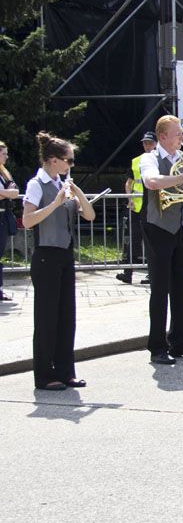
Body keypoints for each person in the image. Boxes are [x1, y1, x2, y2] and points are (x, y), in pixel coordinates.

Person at [22, 132, 96, 389]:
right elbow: (27, 220)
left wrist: (78, 193)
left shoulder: (60, 184)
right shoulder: (36, 184)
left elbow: (90, 215)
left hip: (65, 253)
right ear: (53, 160)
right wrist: (55, 203)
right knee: (47, 317)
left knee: (66, 315)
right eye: (69, 161)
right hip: (45, 254)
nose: (70, 165)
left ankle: (66, 371)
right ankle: (44, 374)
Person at [139, 115, 183, 364]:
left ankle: (179, 341)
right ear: (162, 137)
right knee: (160, 288)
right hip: (157, 226)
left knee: (181, 288)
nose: (182, 138)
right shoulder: (149, 158)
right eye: (178, 134)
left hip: (181, 227)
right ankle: (157, 346)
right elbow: (152, 182)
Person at [116, 132, 156, 285]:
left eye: (150, 143)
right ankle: (128, 273)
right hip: (136, 207)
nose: (147, 146)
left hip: (152, 208)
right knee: (132, 240)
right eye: (145, 143)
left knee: (151, 242)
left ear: (156, 144)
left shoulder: (159, 160)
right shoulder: (136, 161)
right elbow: (129, 182)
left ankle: (151, 274)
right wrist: (129, 198)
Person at [0, 140, 19, 302]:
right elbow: (10, 192)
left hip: (3, 217)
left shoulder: (4, 173)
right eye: (4, 153)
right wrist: (8, 192)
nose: (7, 157)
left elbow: (15, 192)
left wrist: (4, 192)